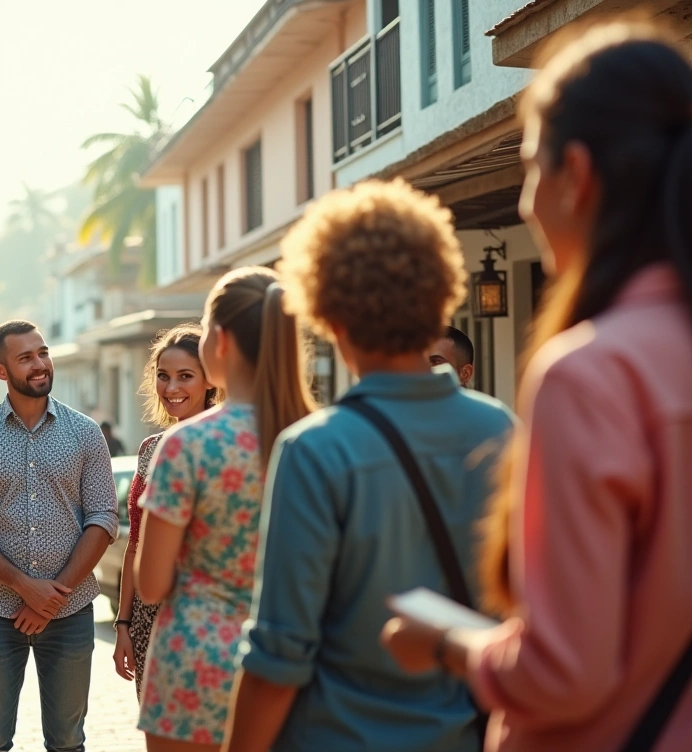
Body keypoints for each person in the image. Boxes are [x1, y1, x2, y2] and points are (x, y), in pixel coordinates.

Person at [382, 22, 692, 752]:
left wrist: (448, 637)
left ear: (576, 176)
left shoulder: (591, 374)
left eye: (530, 168)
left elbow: (563, 675)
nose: (525, 203)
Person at [224, 180, 516, 752]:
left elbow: (280, 655)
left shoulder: (315, 450)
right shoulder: (502, 429)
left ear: (328, 314)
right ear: (440, 295)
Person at [134, 269, 316, 751]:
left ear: (221, 340)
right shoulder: (325, 440)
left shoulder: (187, 445)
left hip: (196, 663)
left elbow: (150, 582)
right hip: (298, 665)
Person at [0, 320, 119, 752]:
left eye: (42, 353)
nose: (40, 364)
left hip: (72, 611)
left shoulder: (85, 434)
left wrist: (53, 596)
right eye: (25, 358)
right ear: (0, 371)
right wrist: (24, 586)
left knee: (67, 740)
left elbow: (103, 517)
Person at [111, 323, 216, 697]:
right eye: (163, 376)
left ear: (210, 380)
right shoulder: (149, 449)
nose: (171, 388)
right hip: (147, 620)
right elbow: (136, 543)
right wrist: (124, 623)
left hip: (204, 617)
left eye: (185, 376)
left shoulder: (226, 444)